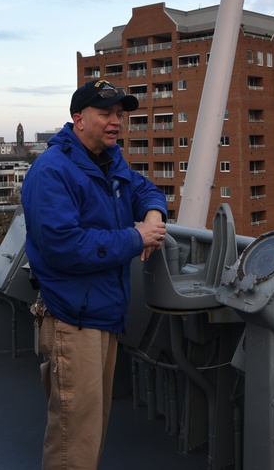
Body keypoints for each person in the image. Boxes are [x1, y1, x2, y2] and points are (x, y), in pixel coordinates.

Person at [21, 79, 168, 470]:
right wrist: (137, 237)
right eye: (106, 113)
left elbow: (145, 189)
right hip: (74, 320)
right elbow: (64, 248)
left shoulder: (108, 160)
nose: (116, 122)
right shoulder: (53, 171)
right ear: (77, 118)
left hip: (102, 313)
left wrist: (153, 214)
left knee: (91, 428)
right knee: (73, 441)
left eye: (120, 114)